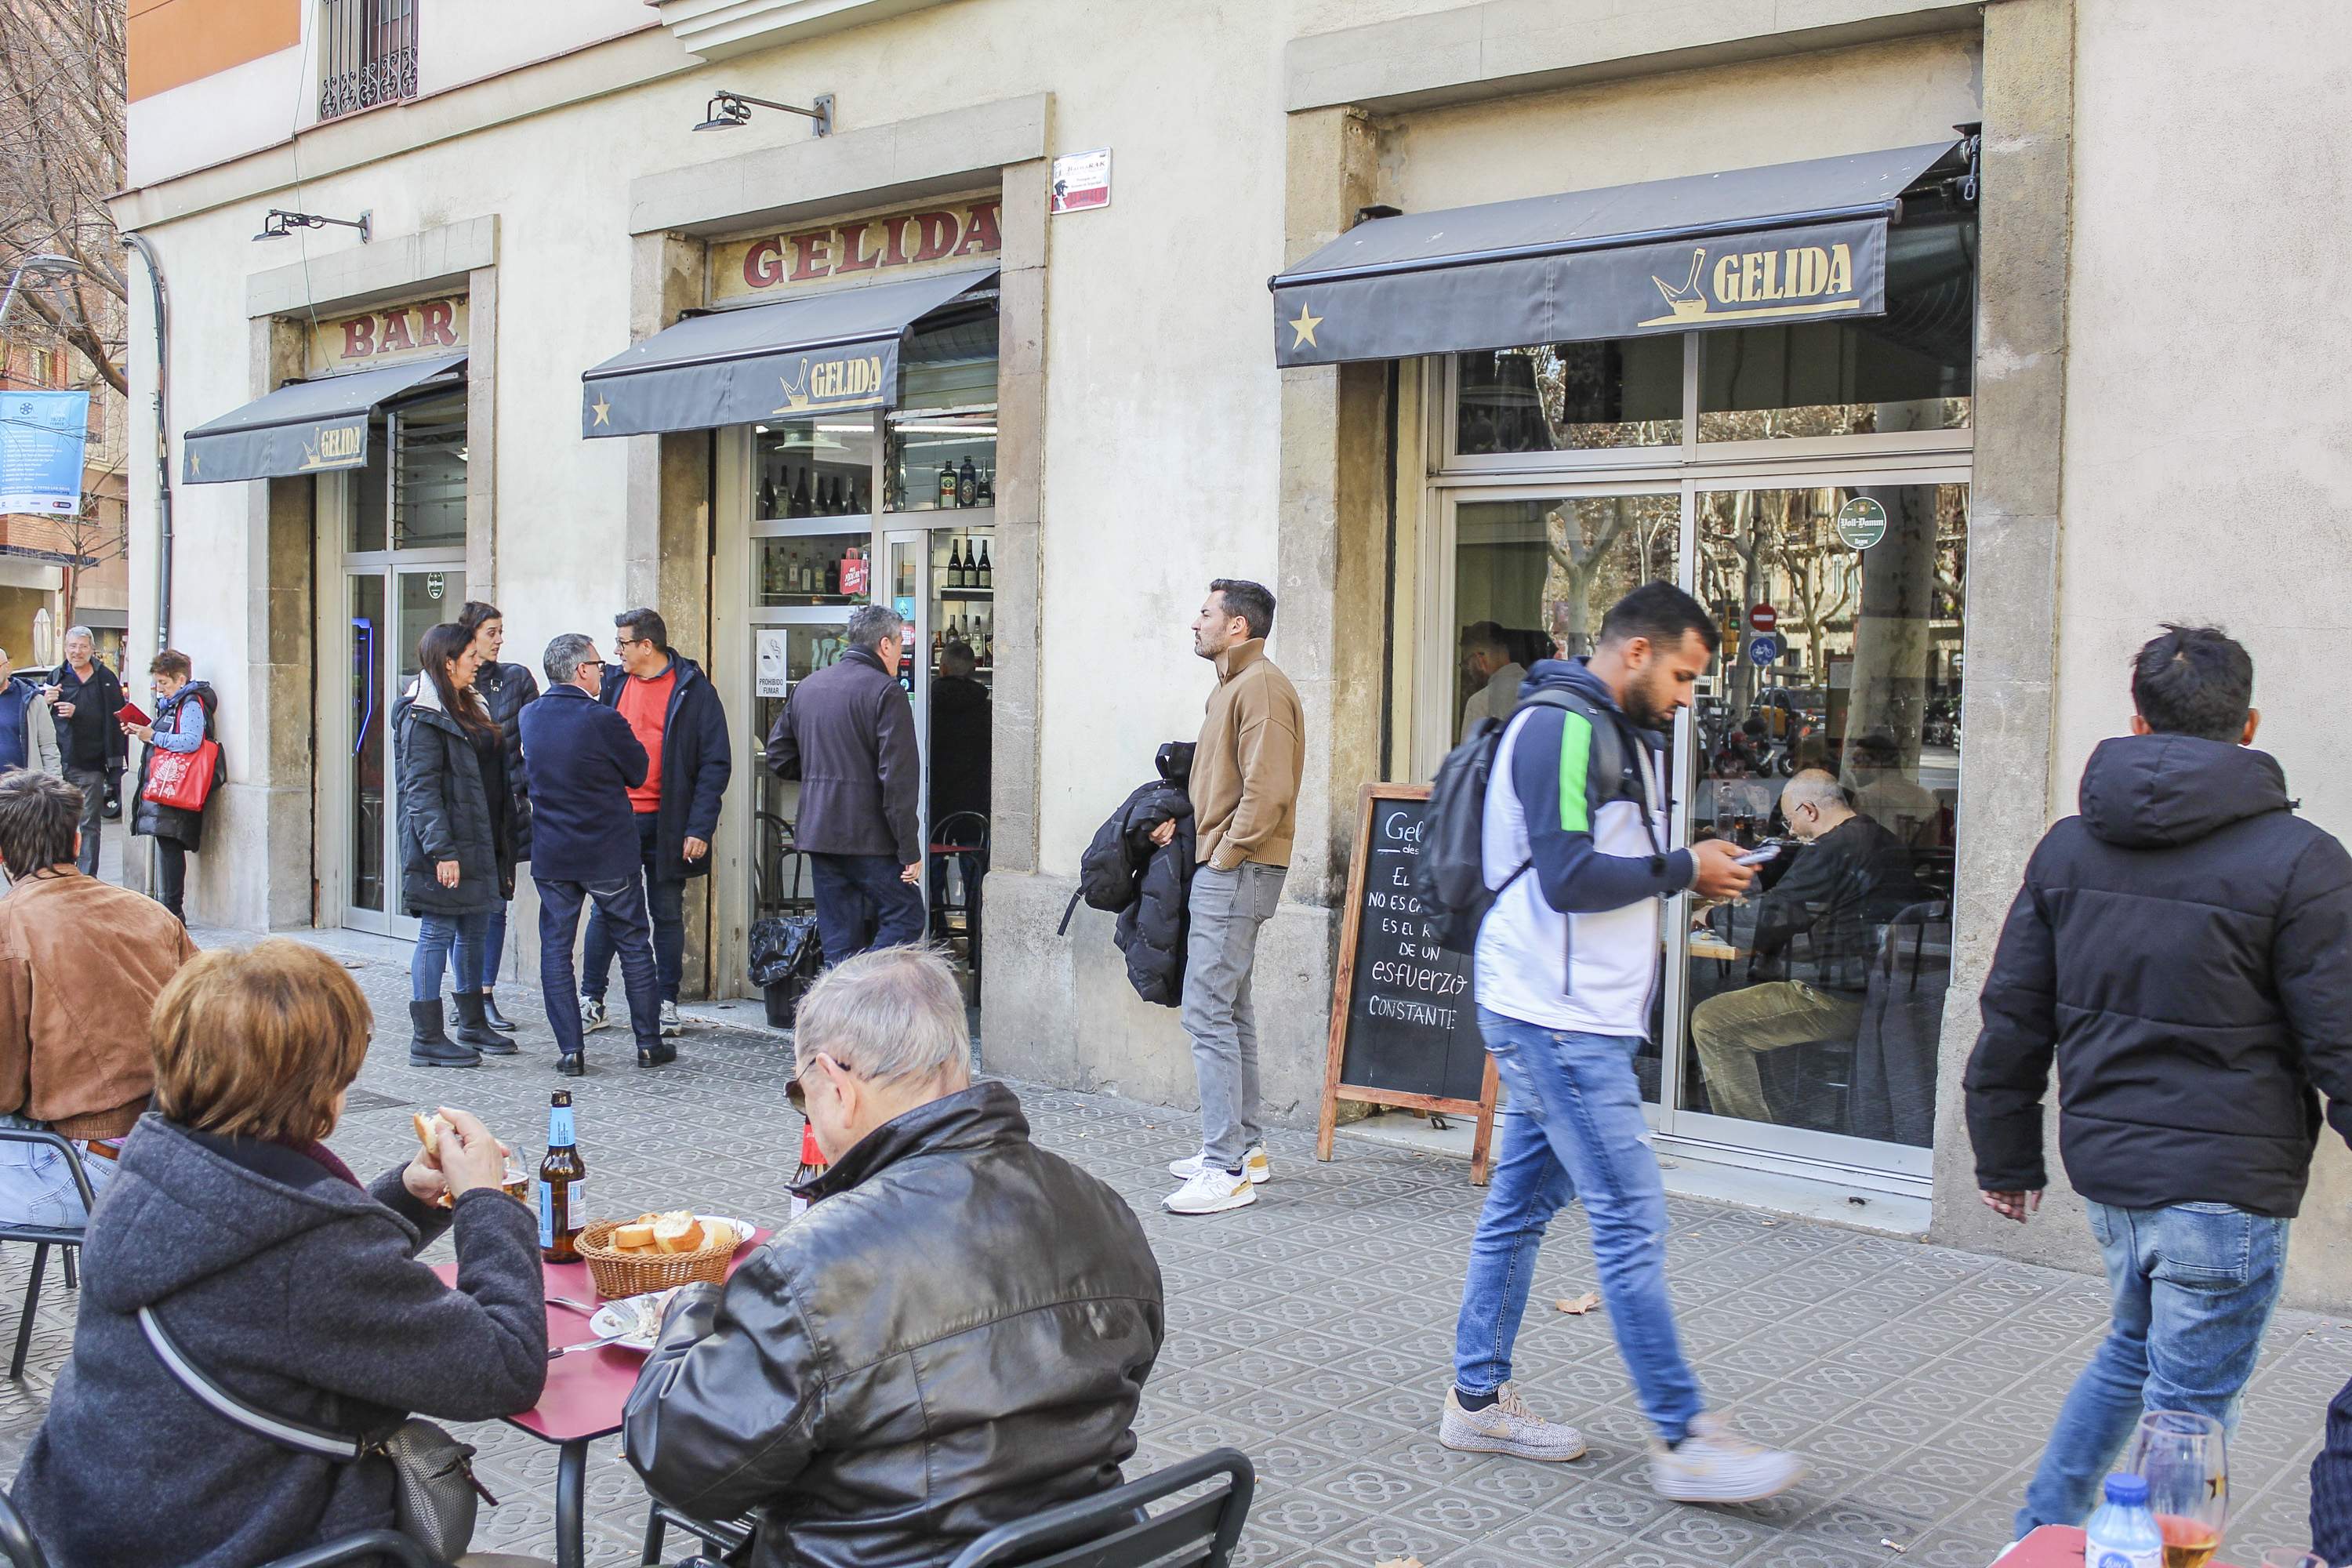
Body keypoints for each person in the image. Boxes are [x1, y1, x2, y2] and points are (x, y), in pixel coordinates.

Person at [1965, 624, 2352, 1539]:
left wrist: (2005, 1155)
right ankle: (2127, 1555)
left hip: (2114, 1170)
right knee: (2190, 1416)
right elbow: (2343, 1039)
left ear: (2136, 725)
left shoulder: (2067, 847)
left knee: (2132, 1357)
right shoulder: (2303, 860)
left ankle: (2040, 1530)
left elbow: (2014, 1014)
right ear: (2248, 724)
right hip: (2226, 1187)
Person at [1437, 581, 1806, 1503]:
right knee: (1631, 1218)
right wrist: (1684, 866)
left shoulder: (1616, 729)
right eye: (1682, 674)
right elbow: (1563, 874)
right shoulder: (1563, 726)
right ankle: (1687, 1438)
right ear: (1635, 652)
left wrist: (1689, 876)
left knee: (1520, 1205)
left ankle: (1476, 1399)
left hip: (1566, 1014)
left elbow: (1607, 864)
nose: (1688, 695)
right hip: (1556, 1021)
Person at [9, 940, 548, 1568]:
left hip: (86, 1530)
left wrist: (408, 1195)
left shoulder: (158, 1166)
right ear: (320, 1085)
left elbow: (274, 1264)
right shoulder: (309, 1253)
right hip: (246, 1544)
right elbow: (506, 1367)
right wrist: (486, 1199)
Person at [622, 946, 1163, 1568]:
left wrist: (687, 1311)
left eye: (804, 1096)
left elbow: (683, 1466)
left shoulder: (809, 1269)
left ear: (836, 1084)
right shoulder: (1103, 1208)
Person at [1155, 579, 1302, 1216]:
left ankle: (1226, 1167)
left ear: (1238, 626)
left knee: (1206, 1013)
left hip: (1237, 869)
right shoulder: (1235, 686)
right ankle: (1247, 1149)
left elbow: (1267, 792)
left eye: (1207, 613)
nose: (1195, 622)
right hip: (1231, 865)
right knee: (1231, 1008)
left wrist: (1225, 853)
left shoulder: (1260, 686)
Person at [0, 770, 195, 1223]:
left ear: (4, 854)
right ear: (74, 843)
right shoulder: (150, 912)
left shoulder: (10, 926)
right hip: (174, 1148)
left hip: (88, 1168)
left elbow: (5, 1088)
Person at [1688, 769, 1922, 1124]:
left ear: (1809, 810)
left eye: (1791, 819)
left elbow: (1768, 924)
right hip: (1881, 992)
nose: (1792, 831)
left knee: (1710, 1020)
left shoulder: (1832, 849)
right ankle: (1781, 1115)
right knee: (1755, 997)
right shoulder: (1882, 839)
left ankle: (1745, 1136)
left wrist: (1710, 917)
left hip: (1839, 997)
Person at [519, 633, 666, 1073]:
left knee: (556, 950)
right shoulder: (602, 718)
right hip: (606, 851)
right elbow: (638, 772)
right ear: (582, 670)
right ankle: (648, 1044)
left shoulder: (530, 716)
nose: (606, 670)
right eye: (600, 664)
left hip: (553, 852)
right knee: (635, 944)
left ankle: (570, 1051)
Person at [581, 608, 730, 1040]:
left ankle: (666, 1004)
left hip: (670, 824)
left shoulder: (694, 690)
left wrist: (700, 827)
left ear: (647, 646)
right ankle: (592, 1000)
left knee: (666, 912)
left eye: (623, 643)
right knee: (605, 912)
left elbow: (715, 764)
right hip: (617, 821)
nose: (616, 651)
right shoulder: (612, 685)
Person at [764, 601, 923, 962]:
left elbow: (779, 757)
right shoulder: (886, 691)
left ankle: (839, 1012)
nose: (900, 654)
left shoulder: (809, 686)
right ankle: (862, 989)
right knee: (906, 915)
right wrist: (909, 850)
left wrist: (824, 779)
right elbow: (897, 779)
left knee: (839, 936)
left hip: (820, 833)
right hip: (870, 837)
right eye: (900, 645)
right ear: (885, 644)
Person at [397, 622, 521, 1067]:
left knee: (475, 927)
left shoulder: (470, 703)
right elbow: (421, 790)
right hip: (446, 845)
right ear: (448, 662)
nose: (478, 661)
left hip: (480, 837)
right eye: (471, 656)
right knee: (437, 932)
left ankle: (471, 1023)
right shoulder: (421, 714)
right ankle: (427, 1036)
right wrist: (442, 852)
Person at [459, 601, 540, 1036]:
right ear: (470, 635)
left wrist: (526, 791)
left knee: (496, 904)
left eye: (500, 631)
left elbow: (537, 739)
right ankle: (464, 995)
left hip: (506, 809)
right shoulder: (450, 685)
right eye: (492, 631)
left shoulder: (516, 679)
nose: (499, 639)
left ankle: (484, 993)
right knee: (461, 909)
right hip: (468, 811)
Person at [124, 649, 216, 924]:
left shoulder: (189, 703)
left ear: (180, 679)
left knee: (170, 846)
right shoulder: (174, 703)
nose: (159, 689)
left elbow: (190, 741)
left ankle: (173, 910)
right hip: (168, 785)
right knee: (166, 845)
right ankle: (170, 909)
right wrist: (144, 732)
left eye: (163, 683)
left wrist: (153, 736)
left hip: (177, 786)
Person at [46, 626, 122, 877]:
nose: (77, 652)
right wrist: (46, 703)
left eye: (82, 647)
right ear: (65, 648)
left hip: (91, 763)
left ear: (92, 649)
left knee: (89, 824)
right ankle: (63, 875)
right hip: (59, 763)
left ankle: (88, 878)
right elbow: (39, 722)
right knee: (58, 824)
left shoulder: (106, 679)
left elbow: (115, 721)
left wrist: (78, 713)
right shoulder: (56, 677)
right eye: (72, 646)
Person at [1457, 619, 1527, 742]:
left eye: (1467, 661)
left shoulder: (1479, 702)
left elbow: (1470, 757)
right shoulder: (1537, 690)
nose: (1468, 668)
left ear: (1480, 658)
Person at [0, 648, 61, 779]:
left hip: (23, 788)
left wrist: (54, 786)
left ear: (8, 668)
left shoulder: (32, 700)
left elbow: (48, 747)